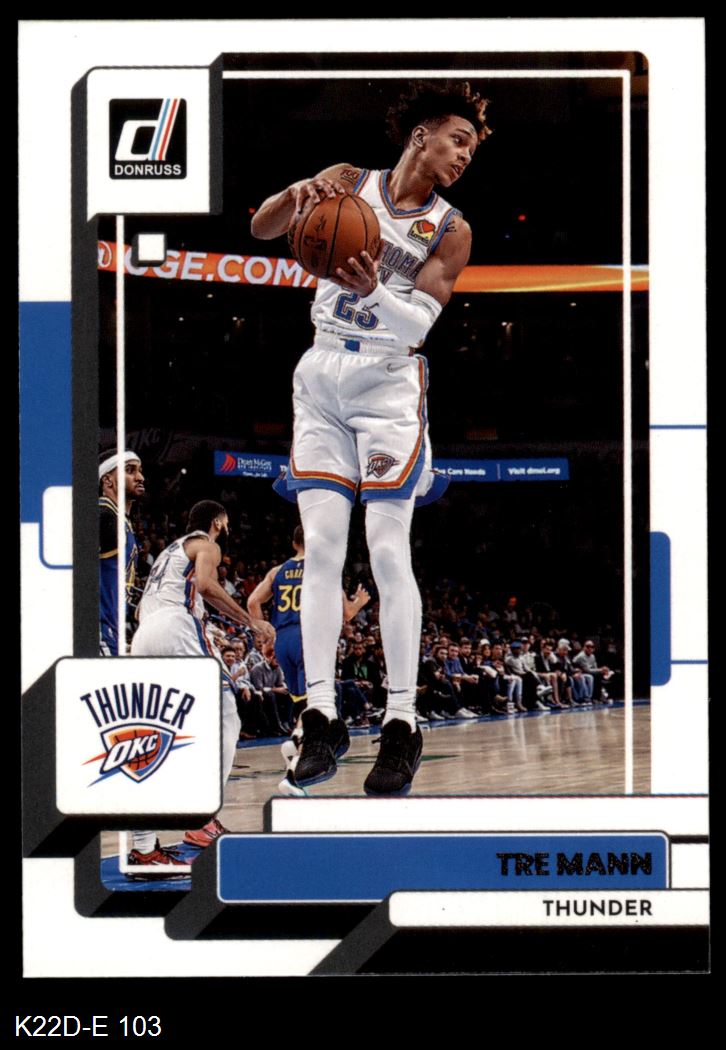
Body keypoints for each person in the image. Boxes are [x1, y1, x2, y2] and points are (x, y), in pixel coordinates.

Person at [252, 80, 490, 795]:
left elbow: (419, 326)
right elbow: (262, 227)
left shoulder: (450, 228)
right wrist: (298, 196)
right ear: (422, 134)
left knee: (386, 550)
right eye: (457, 140)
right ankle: (320, 714)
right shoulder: (347, 181)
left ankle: (402, 722)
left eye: (471, 150)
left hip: (389, 384)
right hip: (322, 371)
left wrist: (374, 290)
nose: (464, 156)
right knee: (322, 549)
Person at [130, 500, 275, 850]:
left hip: (144, 635)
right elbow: (207, 585)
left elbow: (143, 610)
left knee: (159, 731)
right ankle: (201, 818)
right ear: (218, 521)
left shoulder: (167, 554)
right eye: (226, 521)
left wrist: (203, 624)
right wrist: (250, 622)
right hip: (175, 627)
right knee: (226, 714)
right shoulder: (207, 544)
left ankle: (143, 837)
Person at [247, 524, 370, 792]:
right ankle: (294, 770)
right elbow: (347, 613)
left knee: (303, 704)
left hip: (283, 640)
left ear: (294, 544)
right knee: (315, 706)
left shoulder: (277, 571)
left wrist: (267, 639)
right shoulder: (324, 568)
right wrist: (359, 601)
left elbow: (253, 602)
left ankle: (295, 749)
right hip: (309, 638)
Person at [98, 449, 145, 656]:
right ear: (108, 480)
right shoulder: (104, 516)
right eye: (130, 470)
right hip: (99, 628)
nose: (140, 477)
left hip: (111, 626)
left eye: (140, 471)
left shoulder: (119, 519)